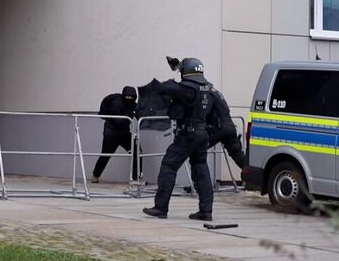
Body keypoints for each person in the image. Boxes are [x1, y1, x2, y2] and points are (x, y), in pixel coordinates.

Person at [143, 58, 216, 221]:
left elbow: (164, 87)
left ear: (187, 71)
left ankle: (160, 207)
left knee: (169, 165)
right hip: (201, 133)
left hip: (188, 134)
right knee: (201, 170)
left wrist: (176, 71)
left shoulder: (188, 88)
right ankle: (206, 211)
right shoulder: (207, 88)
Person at [92, 86, 139, 183]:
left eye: (132, 97)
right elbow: (118, 121)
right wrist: (130, 113)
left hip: (124, 134)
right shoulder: (116, 103)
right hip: (111, 133)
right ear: (124, 96)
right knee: (105, 155)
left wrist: (144, 113)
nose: (129, 99)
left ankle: (136, 178)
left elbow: (138, 115)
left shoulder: (133, 105)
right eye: (127, 97)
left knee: (137, 151)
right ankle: (95, 175)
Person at [206, 88, 248, 169]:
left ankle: (203, 180)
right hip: (230, 127)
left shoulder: (205, 93)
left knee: (198, 151)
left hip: (219, 128)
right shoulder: (216, 92)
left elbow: (203, 113)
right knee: (238, 155)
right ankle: (251, 175)